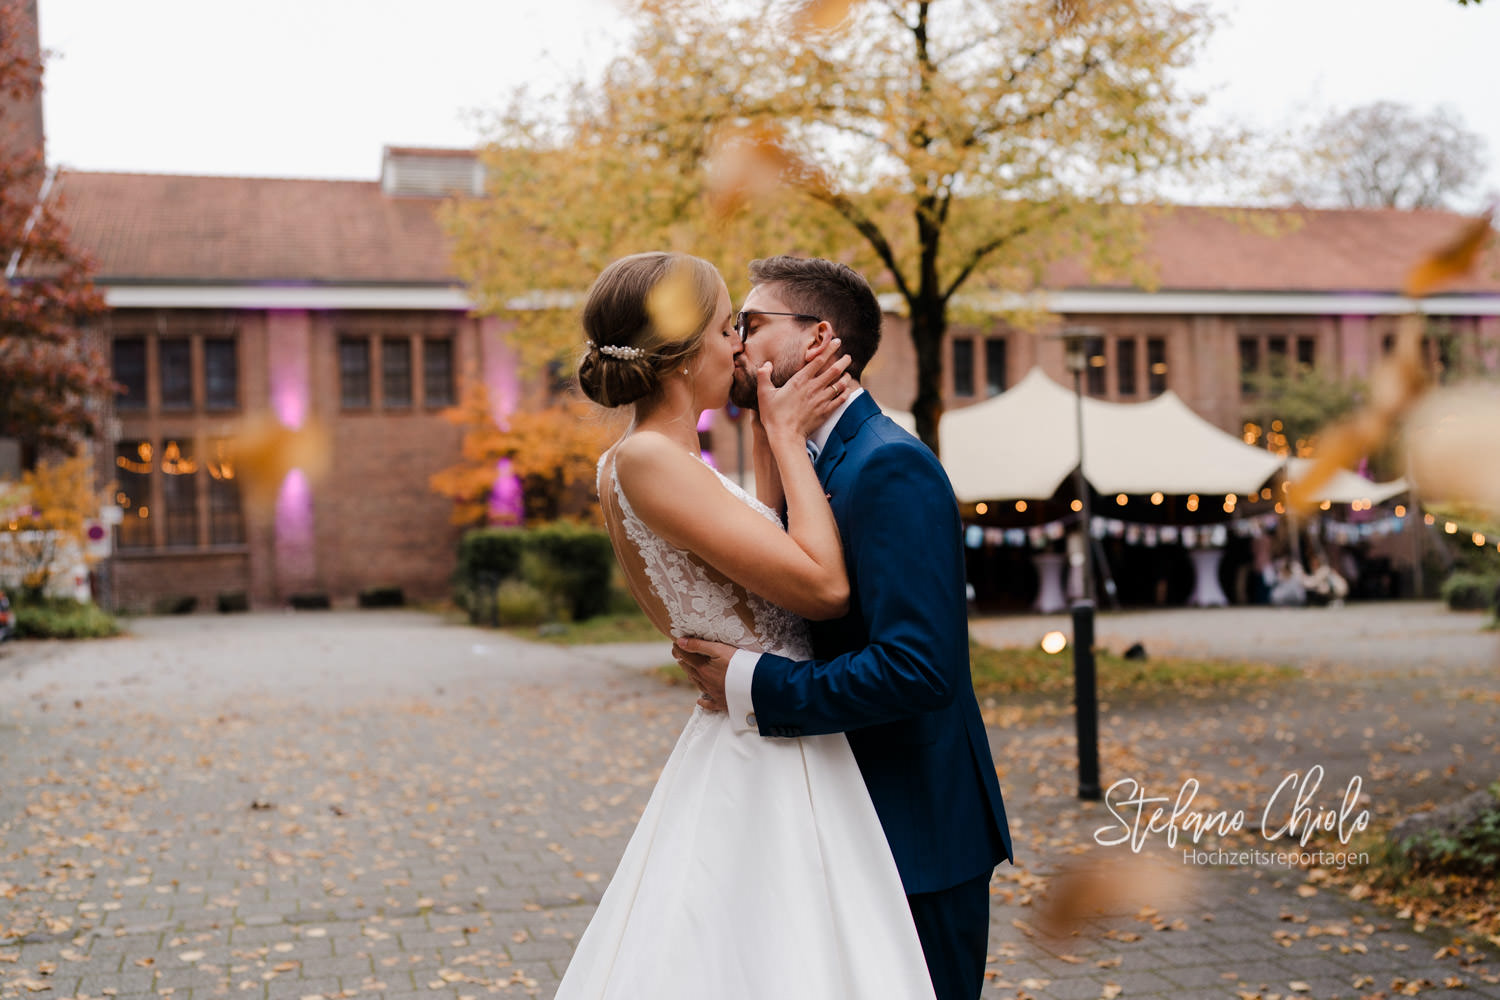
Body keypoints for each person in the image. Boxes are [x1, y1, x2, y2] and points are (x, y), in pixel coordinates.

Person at [554, 251, 938, 1000]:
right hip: (766, 751)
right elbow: (822, 587)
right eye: (729, 324)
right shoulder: (647, 460)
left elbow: (764, 541)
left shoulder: (669, 458)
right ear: (685, 349)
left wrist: (769, 429)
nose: (738, 343)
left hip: (777, 726)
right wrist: (790, 438)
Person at [675, 255, 1013, 1000]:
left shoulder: (890, 467)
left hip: (915, 832)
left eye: (753, 325)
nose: (735, 345)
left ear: (819, 339)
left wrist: (751, 681)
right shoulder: (815, 461)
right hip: (839, 817)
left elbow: (919, 668)